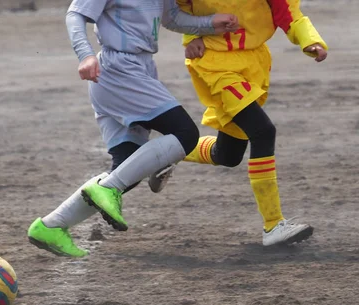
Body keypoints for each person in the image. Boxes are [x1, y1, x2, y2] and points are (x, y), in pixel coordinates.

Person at [27, 0, 240, 257]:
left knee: (126, 167)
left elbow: (171, 17)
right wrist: (85, 54)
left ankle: (51, 226)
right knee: (185, 134)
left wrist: (208, 24)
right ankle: (111, 186)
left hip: (140, 68)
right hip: (118, 70)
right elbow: (75, 15)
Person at [172, 0, 328, 246]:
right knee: (263, 132)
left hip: (251, 64)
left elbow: (288, 13)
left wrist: (310, 40)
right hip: (214, 61)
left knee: (228, 155)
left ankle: (167, 153)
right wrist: (191, 36)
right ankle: (273, 225)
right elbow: (179, 6)